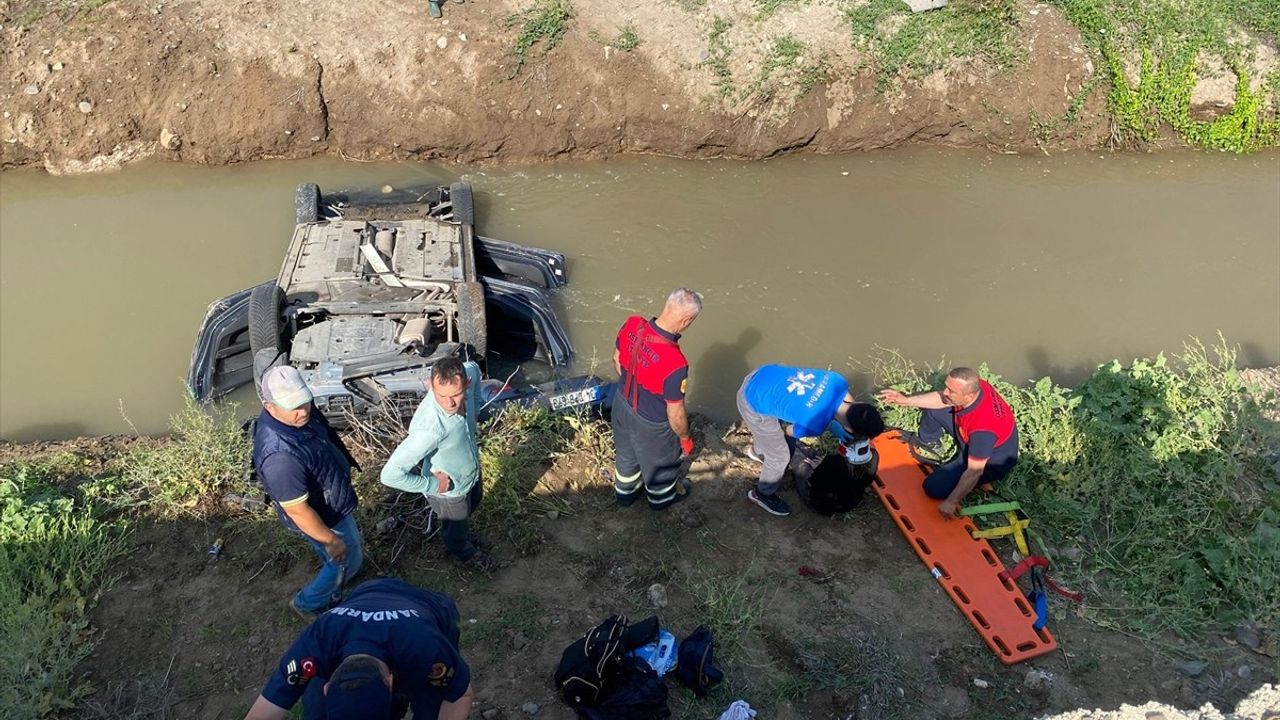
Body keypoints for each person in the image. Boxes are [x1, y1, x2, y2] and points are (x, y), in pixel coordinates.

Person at [242, 577, 475, 720]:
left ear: (394, 684)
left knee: (430, 708)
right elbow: (260, 716)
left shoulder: (427, 652)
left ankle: (394, 707)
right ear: (326, 686)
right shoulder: (314, 647)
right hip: (365, 593)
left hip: (429, 608)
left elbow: (461, 694)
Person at [254, 365, 364, 619]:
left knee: (346, 555)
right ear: (269, 406)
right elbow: (297, 511)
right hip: (323, 516)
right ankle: (309, 603)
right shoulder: (279, 457)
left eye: (305, 401)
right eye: (293, 406)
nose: (302, 411)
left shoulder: (298, 415)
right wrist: (330, 540)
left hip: (330, 499)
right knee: (342, 557)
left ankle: (340, 580)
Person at [381, 357, 494, 571]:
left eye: (456, 395)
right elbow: (390, 474)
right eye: (441, 396)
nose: (450, 403)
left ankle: (464, 533)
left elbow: (475, 368)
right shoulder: (430, 429)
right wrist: (432, 485)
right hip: (449, 491)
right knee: (454, 528)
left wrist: (476, 407)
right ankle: (464, 553)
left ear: (466, 384)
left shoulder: (469, 373)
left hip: (470, 472)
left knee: (474, 501)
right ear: (429, 385)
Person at [878, 367, 1019, 519]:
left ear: (969, 396)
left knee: (933, 488)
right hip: (969, 432)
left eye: (951, 391)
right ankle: (931, 443)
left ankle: (976, 481)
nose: (945, 392)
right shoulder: (978, 387)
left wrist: (951, 502)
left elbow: (974, 471)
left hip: (990, 461)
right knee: (932, 408)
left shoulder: (983, 430)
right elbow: (941, 400)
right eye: (947, 386)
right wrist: (905, 400)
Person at [611, 288, 702, 510]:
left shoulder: (631, 324)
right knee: (661, 466)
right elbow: (675, 412)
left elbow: (616, 359)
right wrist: (684, 437)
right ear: (686, 320)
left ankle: (625, 496)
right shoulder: (675, 363)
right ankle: (660, 501)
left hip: (620, 404)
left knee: (625, 455)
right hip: (651, 424)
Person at [737, 365, 865, 517]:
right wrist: (823, 425)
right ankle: (761, 494)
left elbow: (853, 405)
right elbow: (788, 431)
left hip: (764, 376)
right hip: (752, 401)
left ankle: (759, 452)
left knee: (767, 434)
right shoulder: (814, 423)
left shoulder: (838, 381)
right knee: (779, 456)